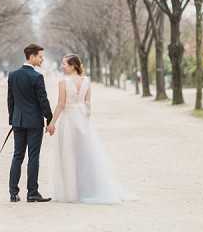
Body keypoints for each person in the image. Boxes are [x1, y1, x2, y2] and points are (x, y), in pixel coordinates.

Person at [48, 54, 124, 204]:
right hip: (82, 120)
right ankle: (88, 189)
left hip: (68, 121)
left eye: (64, 64)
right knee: (85, 155)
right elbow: (88, 103)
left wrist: (52, 122)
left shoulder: (63, 82)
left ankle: (71, 192)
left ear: (72, 66)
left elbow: (61, 105)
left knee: (68, 154)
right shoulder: (87, 81)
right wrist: (84, 117)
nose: (62, 66)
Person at [7, 43, 54, 203]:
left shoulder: (13, 75)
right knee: (33, 156)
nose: (42, 59)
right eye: (40, 56)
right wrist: (50, 118)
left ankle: (13, 193)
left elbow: (10, 101)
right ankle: (32, 193)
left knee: (17, 156)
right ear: (32, 56)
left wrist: (12, 120)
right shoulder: (36, 77)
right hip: (34, 122)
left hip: (18, 121)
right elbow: (43, 101)